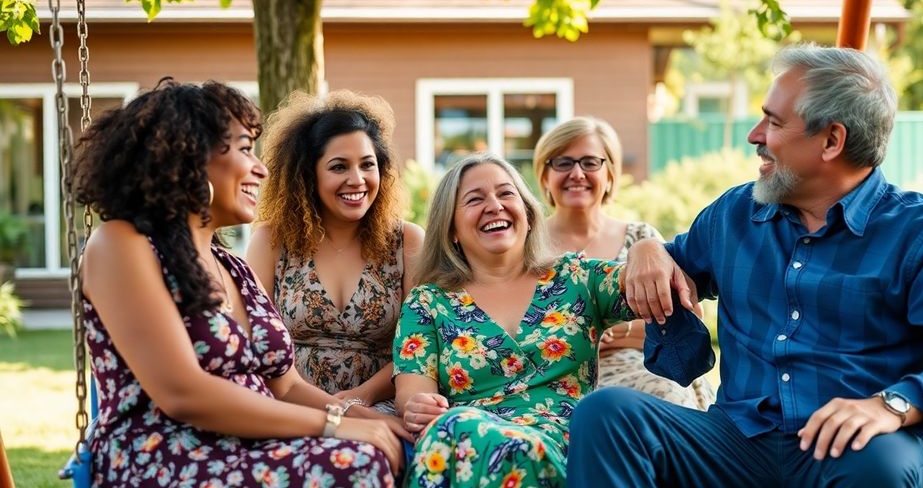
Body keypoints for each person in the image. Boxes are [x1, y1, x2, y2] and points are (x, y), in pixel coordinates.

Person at [567, 45, 923, 487]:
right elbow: (672, 263)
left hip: (858, 445)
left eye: (774, 121)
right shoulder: (735, 214)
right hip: (739, 441)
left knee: (880, 464)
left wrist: (892, 406)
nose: (755, 135)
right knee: (607, 415)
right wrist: (649, 249)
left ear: (831, 140)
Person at [75, 79, 409, 486]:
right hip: (162, 452)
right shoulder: (121, 244)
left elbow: (284, 386)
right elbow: (183, 393)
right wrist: (334, 427)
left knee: (379, 451)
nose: (261, 168)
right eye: (244, 149)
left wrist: (362, 417)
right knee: (355, 464)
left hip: (244, 444)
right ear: (188, 156)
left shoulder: (233, 267)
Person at [392, 154, 704, 487]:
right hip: (471, 444)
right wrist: (418, 407)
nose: (495, 205)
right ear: (451, 228)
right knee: (458, 428)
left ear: (527, 213)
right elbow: (413, 395)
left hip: (569, 445)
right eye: (475, 199)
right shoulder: (428, 302)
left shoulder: (576, 277)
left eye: (506, 193)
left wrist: (647, 248)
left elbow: (673, 291)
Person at [247, 90, 423, 415]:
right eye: (339, 167)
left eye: (367, 165)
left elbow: (420, 346)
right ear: (307, 175)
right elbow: (255, 343)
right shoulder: (271, 241)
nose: (356, 179)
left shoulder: (407, 242)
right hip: (290, 406)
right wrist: (329, 410)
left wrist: (361, 398)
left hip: (380, 407)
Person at [533, 116, 714, 409]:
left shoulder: (641, 240)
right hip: (554, 383)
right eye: (563, 162)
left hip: (645, 374)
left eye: (590, 162)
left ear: (610, 175)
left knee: (667, 400)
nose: (577, 173)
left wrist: (620, 332)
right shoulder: (526, 246)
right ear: (544, 175)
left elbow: (687, 316)